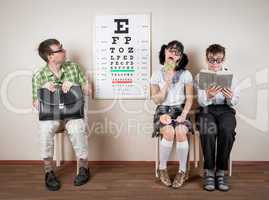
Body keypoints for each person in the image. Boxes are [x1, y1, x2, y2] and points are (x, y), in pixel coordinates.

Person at [32, 39, 91, 191]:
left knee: (77, 128)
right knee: (45, 129)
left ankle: (84, 168)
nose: (64, 51)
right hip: (51, 116)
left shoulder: (74, 67)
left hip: (73, 113)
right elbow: (35, 105)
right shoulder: (39, 75)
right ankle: (48, 172)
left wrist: (75, 86)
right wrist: (43, 92)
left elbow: (89, 90)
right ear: (50, 56)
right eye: (60, 50)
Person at [195, 44, 240, 191]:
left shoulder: (231, 76)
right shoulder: (200, 76)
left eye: (218, 60)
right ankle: (209, 171)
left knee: (227, 130)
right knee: (207, 130)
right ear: (206, 59)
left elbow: (235, 102)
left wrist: (230, 97)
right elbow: (201, 102)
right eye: (211, 60)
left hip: (225, 110)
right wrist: (208, 95)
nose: (215, 63)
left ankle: (220, 171)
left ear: (223, 59)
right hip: (206, 110)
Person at [150, 40, 193, 188]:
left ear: (179, 58)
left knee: (181, 131)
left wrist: (184, 114)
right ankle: (162, 168)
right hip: (162, 109)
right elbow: (157, 100)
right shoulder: (156, 74)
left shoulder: (186, 74)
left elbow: (189, 98)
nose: (173, 54)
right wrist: (167, 83)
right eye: (170, 50)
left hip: (180, 109)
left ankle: (182, 170)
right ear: (165, 52)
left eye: (177, 53)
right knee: (168, 132)